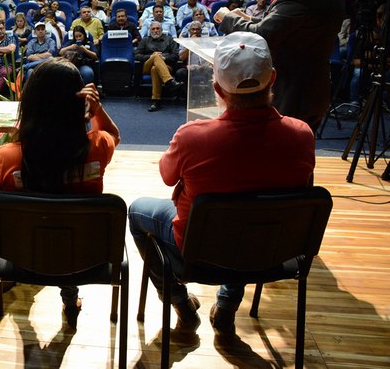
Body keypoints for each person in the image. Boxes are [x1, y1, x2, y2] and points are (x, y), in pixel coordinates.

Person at [128, 32, 315, 335]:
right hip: (270, 252)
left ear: (216, 87)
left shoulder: (192, 136)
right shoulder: (302, 134)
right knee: (248, 219)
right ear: (273, 79)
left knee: (137, 212)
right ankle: (227, 305)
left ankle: (179, 303)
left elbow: (166, 176)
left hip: (198, 253)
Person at [0, 57, 120, 328]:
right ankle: (70, 297)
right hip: (85, 254)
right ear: (77, 101)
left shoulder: (6, 157)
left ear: (30, 103)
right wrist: (96, 110)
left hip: (24, 253)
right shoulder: (97, 147)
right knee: (67, 234)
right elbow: (112, 136)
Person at [216, 0, 344, 131]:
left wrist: (227, 17)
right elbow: (291, 29)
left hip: (292, 93)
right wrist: (248, 18)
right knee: (298, 158)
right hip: (313, 91)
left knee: (275, 158)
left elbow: (263, 37)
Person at [135, 21, 183, 112]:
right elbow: (137, 55)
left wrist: (164, 58)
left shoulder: (169, 39)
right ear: (150, 30)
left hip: (166, 66)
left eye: (158, 29)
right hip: (147, 66)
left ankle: (156, 101)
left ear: (161, 30)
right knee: (155, 56)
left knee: (155, 69)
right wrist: (151, 56)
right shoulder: (145, 40)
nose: (155, 31)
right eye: (153, 29)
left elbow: (176, 55)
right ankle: (169, 81)